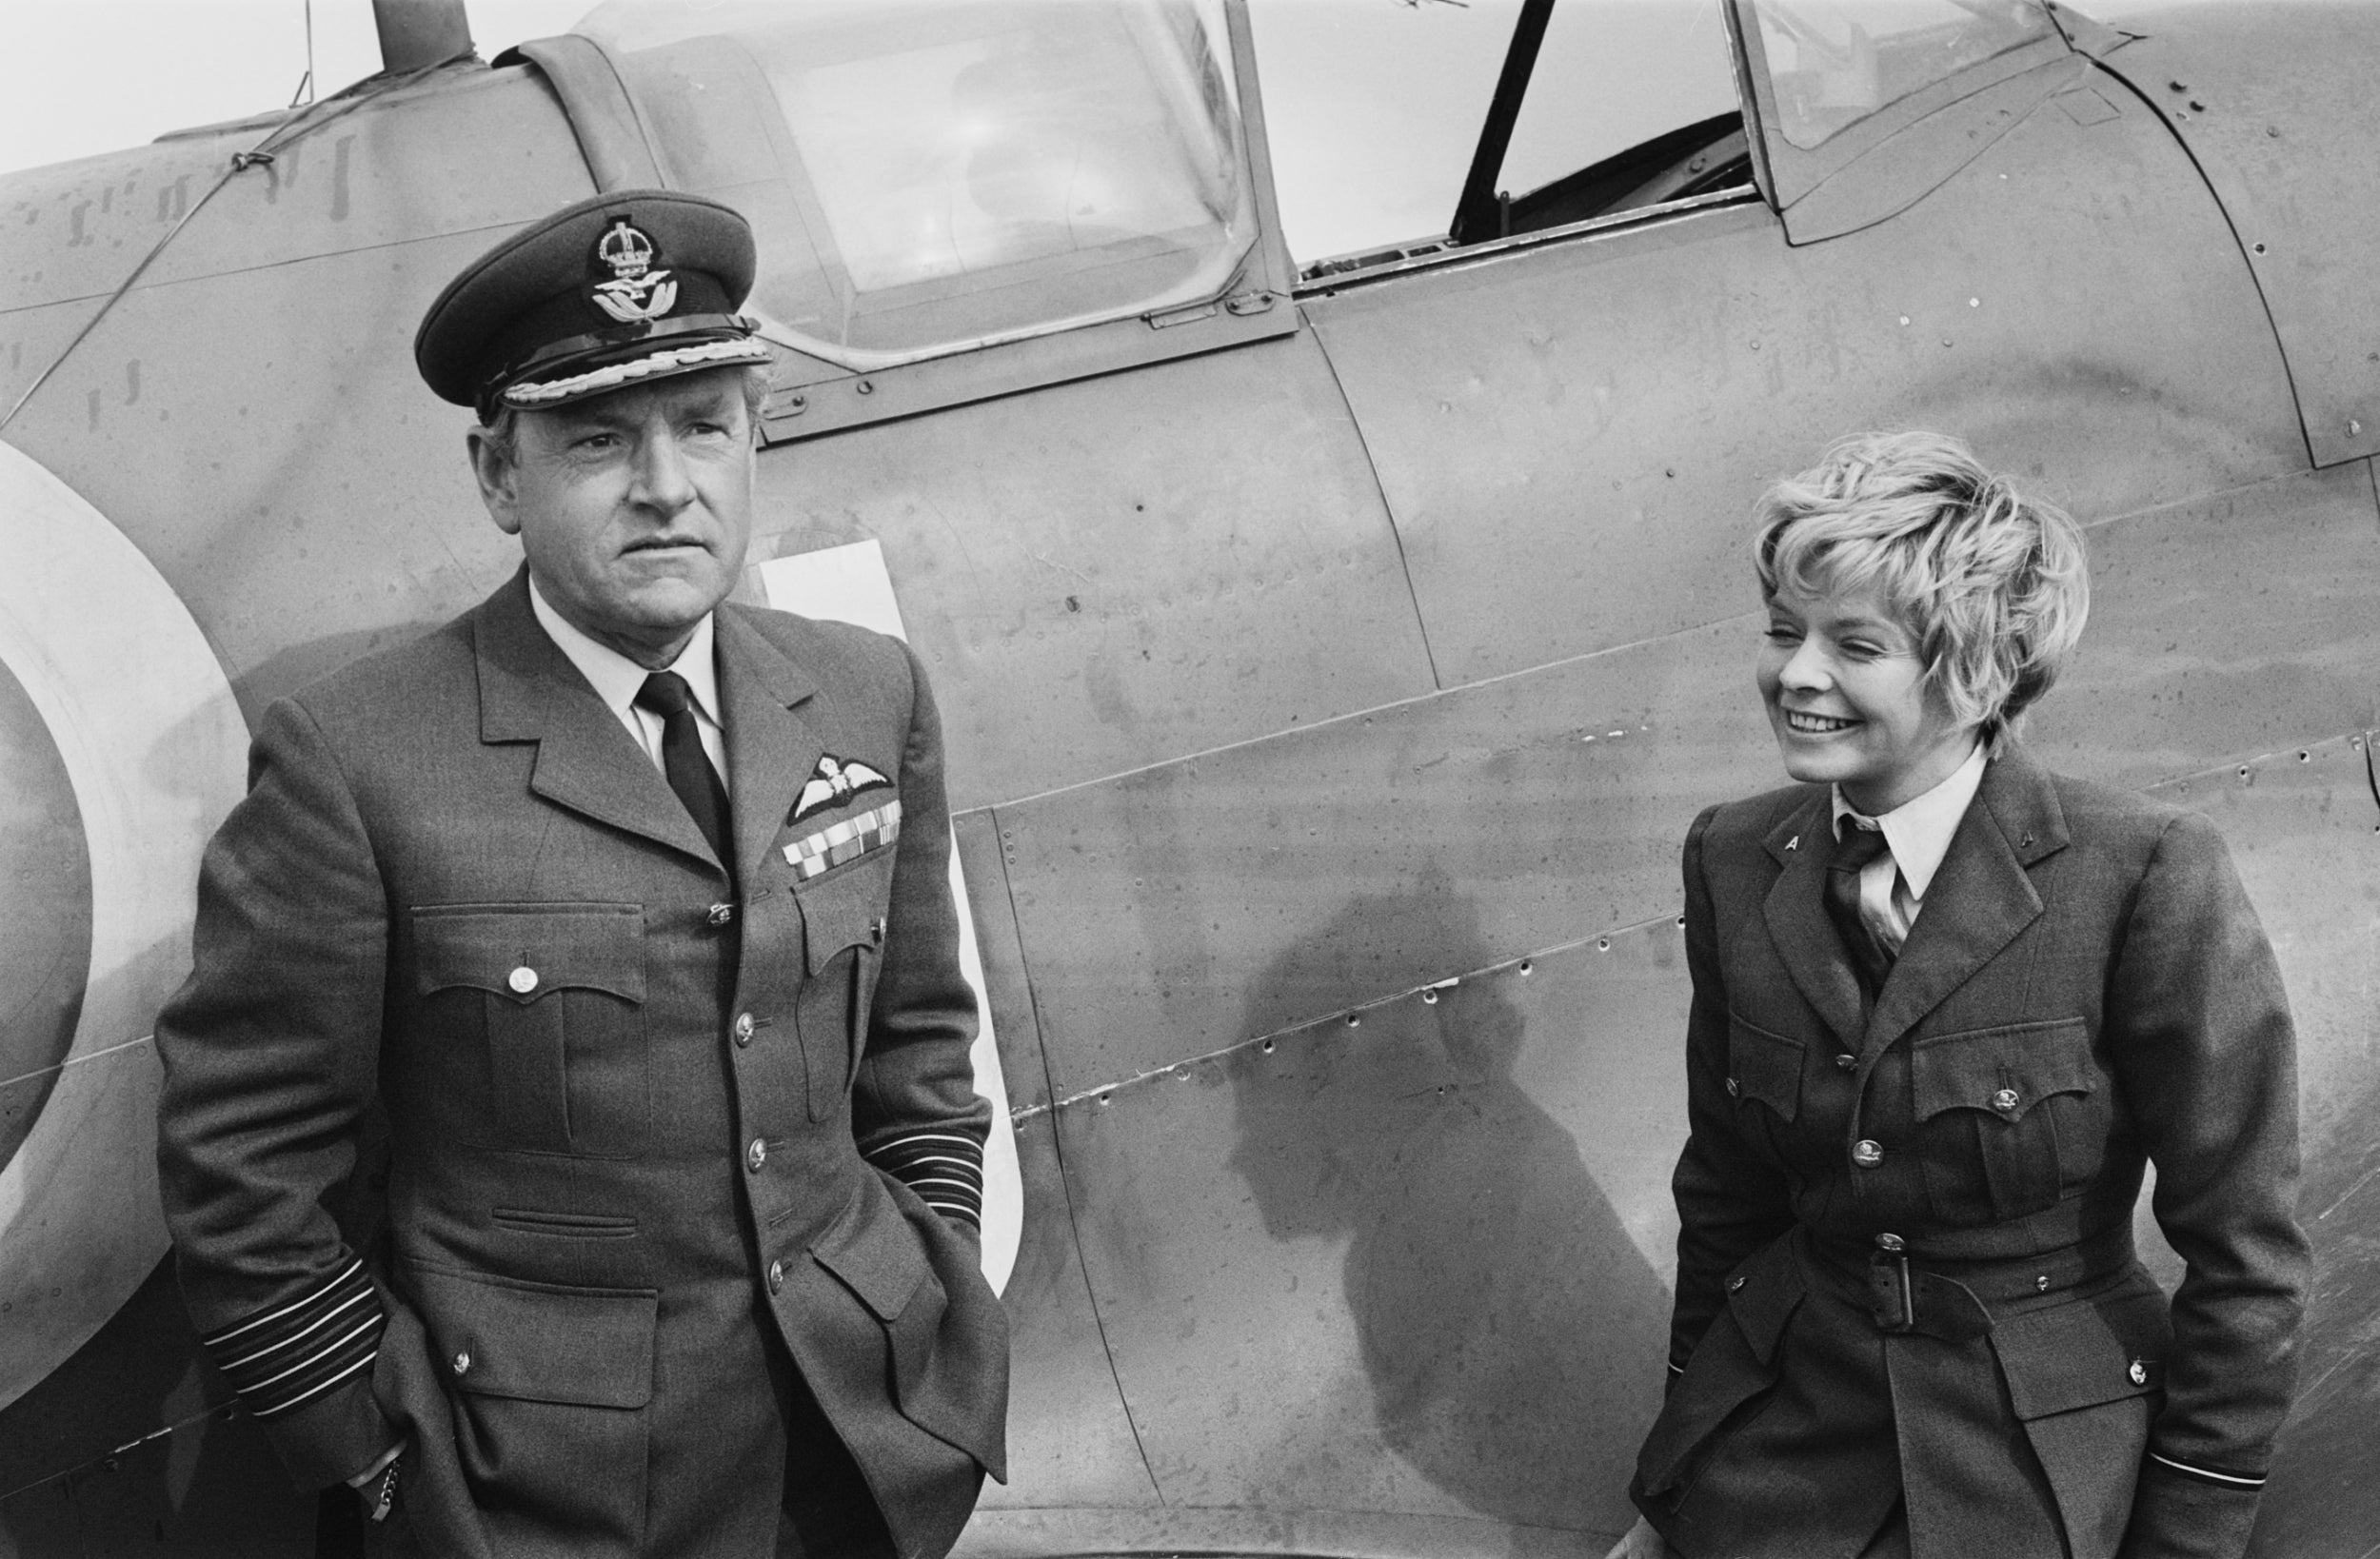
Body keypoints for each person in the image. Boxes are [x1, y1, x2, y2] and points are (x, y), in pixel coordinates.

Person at [153, 189, 1007, 1557]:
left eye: (704, 425)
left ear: (753, 438)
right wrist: (380, 1471)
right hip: (545, 1502)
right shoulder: (356, 760)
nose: (667, 485)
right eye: (600, 438)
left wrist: (937, 1278)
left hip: (870, 1451)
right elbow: (242, 1172)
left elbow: (917, 1041)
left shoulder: (863, 692)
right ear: (500, 475)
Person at [1605, 433, 2308, 1559]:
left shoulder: (2142, 872)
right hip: (1784, 1453)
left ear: (1972, 672)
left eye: (1854, 645)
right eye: (1784, 632)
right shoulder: (1734, 858)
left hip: (2037, 1472)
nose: (1795, 674)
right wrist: (1689, 1450)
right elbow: (1726, 1191)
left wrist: (2191, 1530)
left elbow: (2246, 1254)